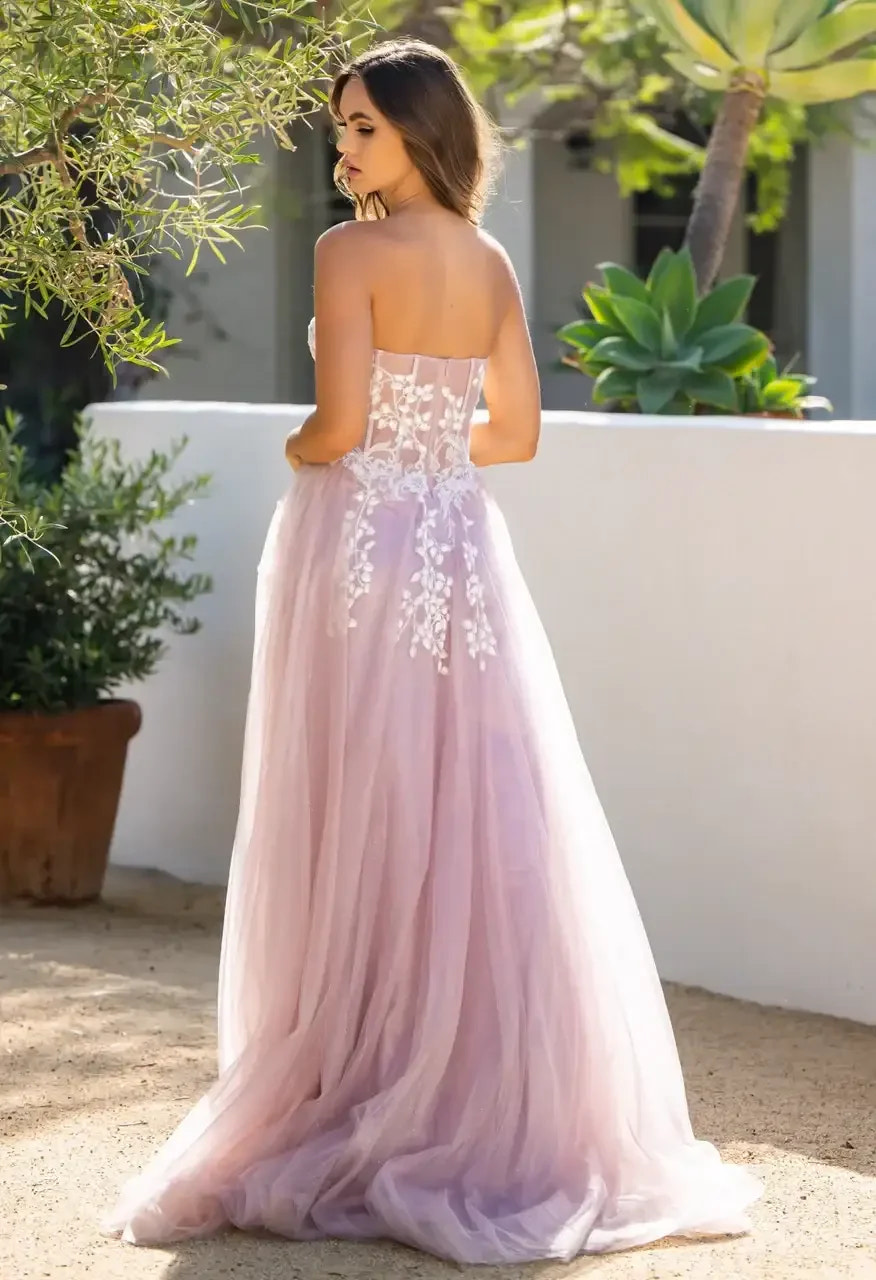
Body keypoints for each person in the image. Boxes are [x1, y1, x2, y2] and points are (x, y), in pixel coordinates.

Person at [102, 39, 763, 1265]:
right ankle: (471, 1089)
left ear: (420, 130)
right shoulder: (490, 255)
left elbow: (340, 422)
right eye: (340, 127)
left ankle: (361, 1067)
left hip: (358, 543)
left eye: (362, 127)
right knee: (472, 801)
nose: (342, 148)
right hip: (461, 542)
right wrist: (426, 432)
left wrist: (311, 451)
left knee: (361, 797)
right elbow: (513, 435)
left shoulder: (347, 251)